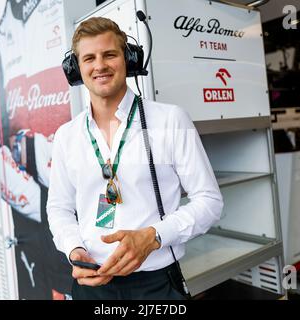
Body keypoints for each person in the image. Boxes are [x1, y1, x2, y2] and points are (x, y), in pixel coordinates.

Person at [47, 17, 223, 300]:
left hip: (156, 284)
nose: (100, 65)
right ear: (76, 69)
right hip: (91, 284)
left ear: (128, 60)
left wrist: (153, 236)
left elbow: (210, 202)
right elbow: (59, 209)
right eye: (89, 58)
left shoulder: (170, 119)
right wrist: (74, 249)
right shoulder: (66, 136)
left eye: (110, 55)